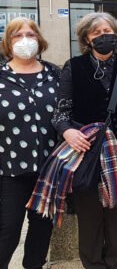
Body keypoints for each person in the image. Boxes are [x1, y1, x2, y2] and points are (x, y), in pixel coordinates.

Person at [52, 12, 117, 269]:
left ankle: (114, 261)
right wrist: (67, 131)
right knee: (89, 214)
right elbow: (61, 112)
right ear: (86, 38)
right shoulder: (73, 67)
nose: (103, 36)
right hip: (85, 153)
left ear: (116, 36)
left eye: (108, 31)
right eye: (96, 33)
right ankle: (93, 263)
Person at [0, 18, 60, 269]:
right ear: (7, 42)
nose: (25, 39)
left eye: (31, 34)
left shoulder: (55, 74)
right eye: (17, 35)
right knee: (8, 229)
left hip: (48, 170)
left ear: (39, 39)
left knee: (41, 231)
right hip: (9, 170)